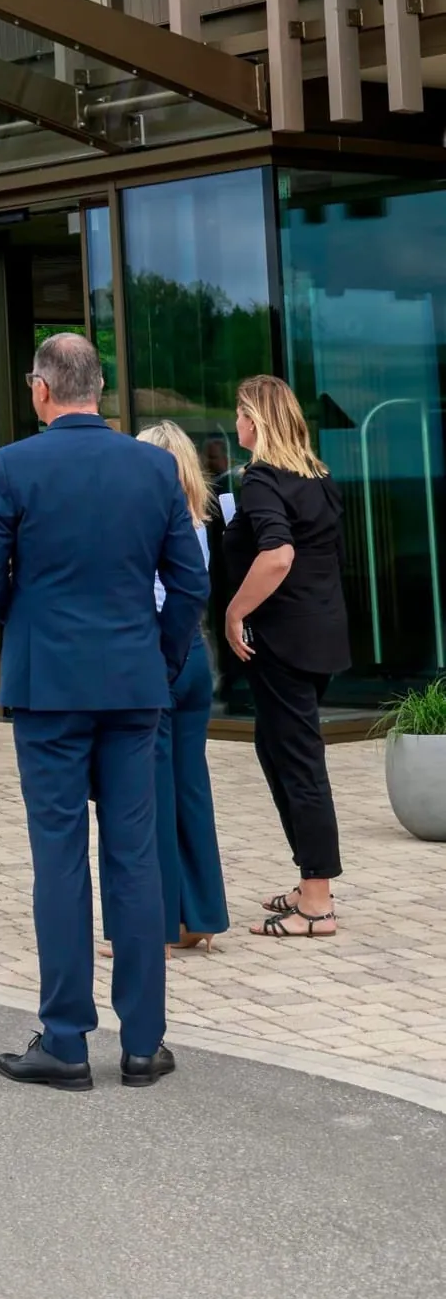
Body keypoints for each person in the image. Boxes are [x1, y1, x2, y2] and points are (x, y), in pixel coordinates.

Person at [0, 331, 207, 1091]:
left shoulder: (16, 464)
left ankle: (65, 1042)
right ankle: (142, 1045)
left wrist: (28, 619)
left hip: (48, 688)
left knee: (59, 857)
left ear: (41, 389)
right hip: (133, 684)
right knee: (134, 858)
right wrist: (157, 659)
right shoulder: (153, 465)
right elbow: (189, 584)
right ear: (97, 388)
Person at [225, 374, 351, 942]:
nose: (235, 422)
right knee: (276, 749)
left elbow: (277, 555)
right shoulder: (317, 477)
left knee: (299, 763)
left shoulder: (261, 480)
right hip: (320, 636)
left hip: (280, 641)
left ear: (257, 420)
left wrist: (234, 612)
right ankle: (310, 878)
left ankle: (318, 903)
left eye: (240, 412)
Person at [132, 422, 228, 951]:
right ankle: (203, 915)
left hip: (160, 656)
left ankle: (163, 924)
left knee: (152, 792)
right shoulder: (196, 519)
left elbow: (151, 596)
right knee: (191, 788)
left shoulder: (150, 523)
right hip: (195, 655)